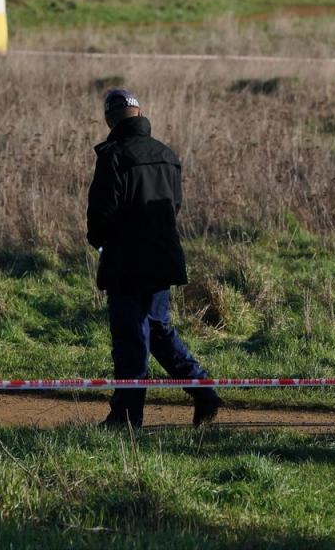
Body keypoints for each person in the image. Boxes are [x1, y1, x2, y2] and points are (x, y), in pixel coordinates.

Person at [87, 88, 222, 429]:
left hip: (127, 263)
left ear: (109, 119)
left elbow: (100, 216)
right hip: (162, 257)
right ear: (140, 114)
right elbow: (173, 206)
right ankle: (202, 389)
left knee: (131, 336)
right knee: (158, 329)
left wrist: (103, 245)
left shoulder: (113, 156)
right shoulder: (167, 153)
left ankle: (126, 417)